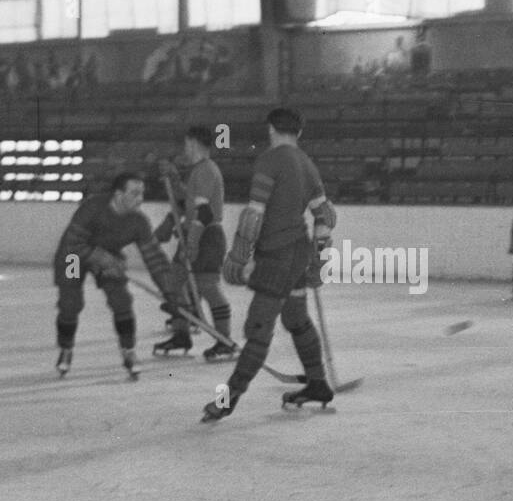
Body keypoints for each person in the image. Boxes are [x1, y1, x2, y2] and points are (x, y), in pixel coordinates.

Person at [201, 109, 336, 422]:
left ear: (271, 129)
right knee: (296, 318)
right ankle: (317, 384)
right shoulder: (307, 164)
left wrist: (238, 257)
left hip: (276, 258)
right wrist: (319, 260)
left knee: (259, 328)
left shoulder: (269, 160)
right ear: (299, 132)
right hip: (298, 253)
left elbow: (253, 216)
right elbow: (325, 217)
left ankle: (227, 399)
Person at [52, 173, 178, 379]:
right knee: (70, 303)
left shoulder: (138, 221)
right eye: (134, 193)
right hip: (72, 257)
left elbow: (155, 258)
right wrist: (102, 258)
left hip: (109, 257)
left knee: (121, 301)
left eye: (142, 194)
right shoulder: (92, 208)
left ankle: (129, 351)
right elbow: (72, 244)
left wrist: (170, 292)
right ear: (118, 195)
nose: (140, 199)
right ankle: (66, 348)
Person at [153, 125, 234, 361]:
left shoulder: (206, 170)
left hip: (206, 237)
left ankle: (225, 341)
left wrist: (193, 243)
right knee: (174, 282)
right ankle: (181, 335)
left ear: (193, 143)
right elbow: (187, 201)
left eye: (186, 144)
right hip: (194, 235)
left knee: (207, 286)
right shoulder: (197, 171)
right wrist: (173, 178)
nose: (184, 149)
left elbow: (204, 212)